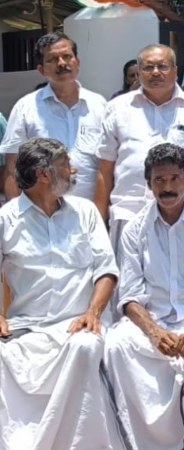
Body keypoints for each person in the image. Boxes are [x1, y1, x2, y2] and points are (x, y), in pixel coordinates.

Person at [104, 143, 184, 450]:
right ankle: (142, 442)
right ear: (149, 185)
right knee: (116, 344)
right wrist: (154, 332)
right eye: (159, 180)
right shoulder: (135, 229)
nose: (167, 187)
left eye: (174, 178)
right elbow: (130, 294)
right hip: (155, 319)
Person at [0, 138, 119, 450]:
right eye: (66, 163)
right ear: (44, 174)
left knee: (85, 348)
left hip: (77, 324)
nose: (73, 169)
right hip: (26, 326)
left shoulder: (86, 211)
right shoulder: (6, 219)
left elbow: (106, 270)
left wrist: (93, 312)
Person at [96, 44, 184, 248]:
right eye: (149, 68)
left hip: (183, 218)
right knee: (127, 280)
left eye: (163, 66)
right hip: (128, 215)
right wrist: (98, 225)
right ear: (139, 73)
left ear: (175, 71)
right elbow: (105, 170)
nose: (156, 72)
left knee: (183, 280)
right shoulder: (117, 108)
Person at [1, 32, 106, 201]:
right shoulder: (26, 108)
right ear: (41, 70)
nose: (62, 63)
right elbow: (13, 169)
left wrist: (102, 217)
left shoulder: (99, 105)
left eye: (67, 56)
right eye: (52, 59)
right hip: (40, 215)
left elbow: (107, 166)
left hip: (91, 215)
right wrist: (15, 219)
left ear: (77, 62)